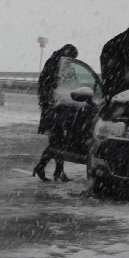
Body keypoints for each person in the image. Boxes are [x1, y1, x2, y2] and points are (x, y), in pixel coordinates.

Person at [33, 43, 78, 182]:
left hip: (56, 108)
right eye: (73, 57)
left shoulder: (57, 63)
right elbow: (52, 85)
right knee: (57, 143)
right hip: (55, 109)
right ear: (68, 54)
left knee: (58, 143)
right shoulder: (57, 64)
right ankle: (48, 169)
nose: (73, 60)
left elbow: (71, 83)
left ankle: (57, 171)